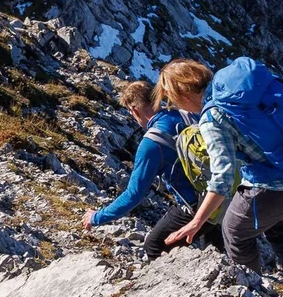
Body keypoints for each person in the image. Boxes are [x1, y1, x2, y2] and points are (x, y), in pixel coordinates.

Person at [156, 57, 283, 296]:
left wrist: (196, 222)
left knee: (234, 232)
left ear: (184, 95)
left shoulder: (213, 117)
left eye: (172, 100)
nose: (176, 106)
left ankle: (254, 294)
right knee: (281, 229)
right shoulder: (242, 86)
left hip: (277, 186)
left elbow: (222, 178)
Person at [84, 81, 222, 259]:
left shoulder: (151, 143)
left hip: (195, 205)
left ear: (134, 110)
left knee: (155, 245)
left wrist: (96, 217)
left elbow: (133, 195)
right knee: (213, 240)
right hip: (221, 194)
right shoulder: (186, 114)